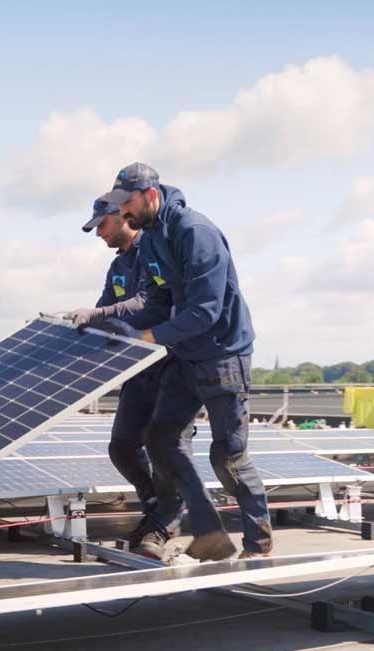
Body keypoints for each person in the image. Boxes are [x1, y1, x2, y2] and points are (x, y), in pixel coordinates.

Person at [97, 162, 273, 561]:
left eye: (128, 203)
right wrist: (110, 321)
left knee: (227, 456)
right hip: (186, 356)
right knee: (159, 439)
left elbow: (204, 312)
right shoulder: (154, 237)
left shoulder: (196, 233)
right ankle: (210, 533)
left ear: (151, 196)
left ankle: (258, 545)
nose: (123, 213)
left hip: (223, 357)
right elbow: (158, 299)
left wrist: (148, 337)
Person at [67, 195, 190, 557]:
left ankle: (164, 523)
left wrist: (98, 313)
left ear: (123, 217)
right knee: (122, 445)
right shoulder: (118, 266)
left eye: (101, 225)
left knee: (165, 447)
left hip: (170, 366)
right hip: (136, 371)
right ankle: (155, 504)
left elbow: (146, 303)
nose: (98, 233)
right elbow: (105, 312)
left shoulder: (155, 252)